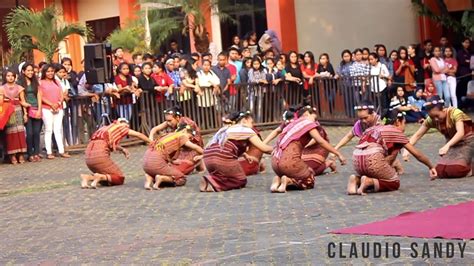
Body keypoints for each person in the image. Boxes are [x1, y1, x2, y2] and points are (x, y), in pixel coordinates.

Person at [349, 110, 437, 195]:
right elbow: (417, 154)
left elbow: (388, 159)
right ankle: (369, 181)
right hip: (372, 157)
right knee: (394, 182)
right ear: (398, 121)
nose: (404, 127)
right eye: (404, 123)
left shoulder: (372, 128)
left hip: (356, 160)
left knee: (379, 176)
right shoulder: (395, 131)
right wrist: (431, 166)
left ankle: (356, 179)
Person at [270, 105, 346, 193]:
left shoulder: (291, 124)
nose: (315, 121)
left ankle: (277, 180)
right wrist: (338, 154)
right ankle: (288, 181)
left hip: (275, 162)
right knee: (309, 180)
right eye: (313, 117)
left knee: (300, 168)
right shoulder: (307, 124)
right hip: (289, 162)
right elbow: (321, 141)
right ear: (306, 114)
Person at [200, 111, 273, 192]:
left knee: (225, 174)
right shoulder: (246, 130)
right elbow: (264, 148)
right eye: (251, 122)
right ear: (244, 121)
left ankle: (211, 181)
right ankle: (214, 182)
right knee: (240, 180)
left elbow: (228, 144)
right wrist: (278, 150)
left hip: (208, 158)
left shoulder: (225, 129)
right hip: (221, 157)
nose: (253, 125)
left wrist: (244, 155)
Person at [404, 96, 473, 178]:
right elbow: (417, 135)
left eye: (437, 116)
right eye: (433, 117)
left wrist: (447, 146)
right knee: (440, 171)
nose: (435, 119)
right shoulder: (431, 119)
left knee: (456, 170)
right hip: (452, 144)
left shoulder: (455, 113)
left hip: (467, 142)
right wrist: (407, 149)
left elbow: (460, 133)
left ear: (443, 109)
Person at [80, 118, 150, 188]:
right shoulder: (121, 127)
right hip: (99, 155)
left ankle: (88, 177)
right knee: (119, 178)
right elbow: (139, 134)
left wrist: (122, 149)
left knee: (107, 177)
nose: (127, 127)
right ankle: (99, 177)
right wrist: (151, 142)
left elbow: (104, 141)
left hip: (88, 156)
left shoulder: (104, 128)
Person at [143, 123, 204, 190]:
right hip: (156, 161)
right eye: (190, 136)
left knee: (158, 170)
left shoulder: (169, 135)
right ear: (185, 130)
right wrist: (205, 153)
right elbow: (195, 147)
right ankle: (161, 178)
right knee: (181, 178)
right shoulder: (182, 135)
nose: (190, 138)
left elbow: (166, 151)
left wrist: (172, 161)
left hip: (146, 160)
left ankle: (148, 179)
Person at [149, 105, 204, 174]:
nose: (168, 123)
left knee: (179, 169)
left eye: (170, 120)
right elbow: (154, 129)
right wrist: (150, 139)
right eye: (167, 121)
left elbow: (181, 142)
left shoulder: (187, 124)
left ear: (177, 117)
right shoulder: (171, 121)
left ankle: (198, 161)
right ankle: (198, 164)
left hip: (193, 147)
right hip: (184, 146)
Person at [38, 64, 70, 159]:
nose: (50, 73)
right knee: (48, 129)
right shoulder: (40, 82)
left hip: (58, 107)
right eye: (48, 71)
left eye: (51, 71)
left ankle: (61, 150)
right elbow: (41, 96)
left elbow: (61, 93)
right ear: (44, 72)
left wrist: (58, 102)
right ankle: (49, 152)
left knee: (58, 129)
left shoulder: (56, 81)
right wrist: (51, 104)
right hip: (46, 108)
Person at [0, 70, 29, 164]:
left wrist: (25, 113)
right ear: (5, 77)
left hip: (18, 110)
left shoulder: (19, 88)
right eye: (8, 76)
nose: (10, 77)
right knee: (10, 132)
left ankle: (20, 154)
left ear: (15, 77)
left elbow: (23, 101)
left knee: (19, 132)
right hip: (8, 111)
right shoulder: (2, 88)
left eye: (12, 75)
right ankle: (12, 155)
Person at [17, 63, 43, 162]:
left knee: (37, 132)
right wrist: (25, 113)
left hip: (36, 109)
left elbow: (39, 96)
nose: (30, 72)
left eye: (31, 70)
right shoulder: (20, 83)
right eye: (28, 70)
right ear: (23, 71)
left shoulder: (36, 82)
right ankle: (30, 154)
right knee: (30, 133)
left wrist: (40, 109)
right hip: (27, 110)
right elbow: (21, 99)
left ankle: (36, 153)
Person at [456, 38, 471, 108]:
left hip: (469, 73)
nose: (467, 44)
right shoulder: (460, 52)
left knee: (467, 90)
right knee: (461, 90)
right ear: (462, 43)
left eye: (468, 43)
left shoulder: (470, 52)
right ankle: (460, 106)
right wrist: (469, 61)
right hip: (462, 74)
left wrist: (468, 61)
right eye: (465, 42)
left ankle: (467, 105)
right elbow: (462, 61)